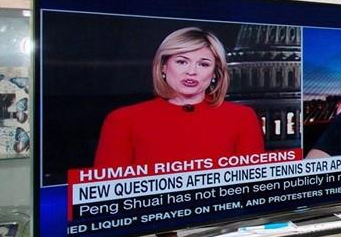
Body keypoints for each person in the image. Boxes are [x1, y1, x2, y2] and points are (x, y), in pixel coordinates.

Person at [93, 28, 266, 168]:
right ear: (163, 66)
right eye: (182, 62)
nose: (191, 71)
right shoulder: (123, 120)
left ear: (215, 73)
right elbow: (108, 192)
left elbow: (252, 188)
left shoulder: (242, 118)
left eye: (203, 64)